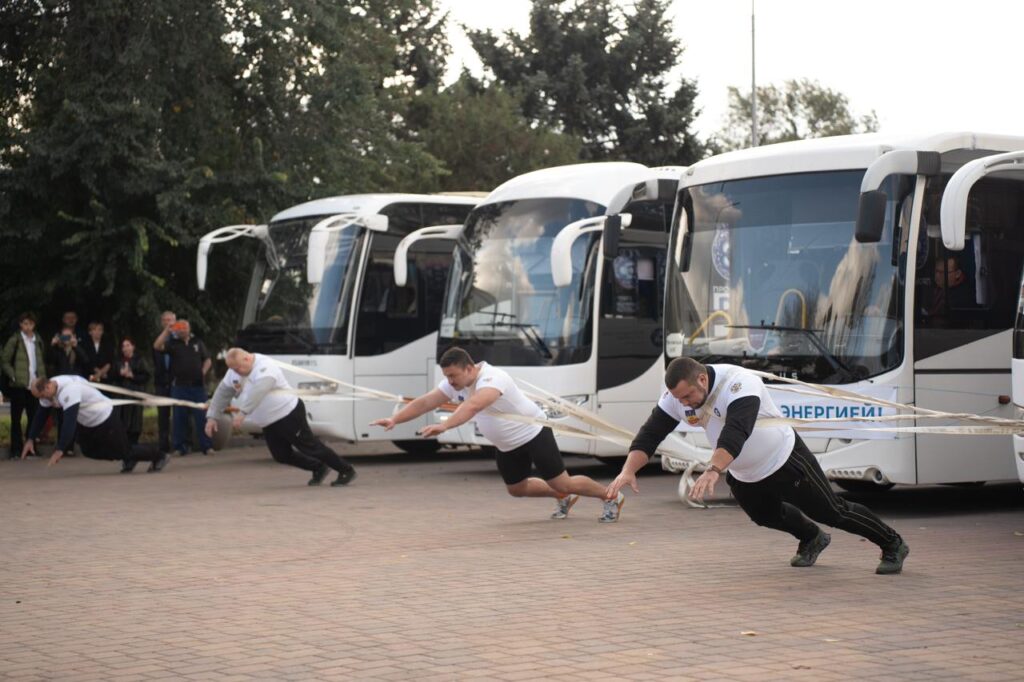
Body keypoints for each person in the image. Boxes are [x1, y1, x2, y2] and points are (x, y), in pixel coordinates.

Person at [606, 357, 910, 574]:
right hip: (745, 472)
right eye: (679, 398)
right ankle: (812, 537)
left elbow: (736, 431)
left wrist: (713, 470)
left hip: (785, 458)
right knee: (764, 515)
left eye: (688, 396)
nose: (684, 403)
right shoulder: (678, 397)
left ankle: (892, 543)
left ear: (702, 379)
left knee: (831, 511)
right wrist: (628, 470)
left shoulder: (739, 383)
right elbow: (651, 433)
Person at [371, 346, 625, 522]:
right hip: (507, 445)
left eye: (452, 376)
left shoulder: (493, 378)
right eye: (446, 377)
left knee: (562, 481)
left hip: (534, 433)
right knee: (516, 489)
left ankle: (611, 496)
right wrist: (395, 419)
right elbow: (426, 402)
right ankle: (563, 497)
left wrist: (445, 426)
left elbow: (473, 406)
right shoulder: (455, 383)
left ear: (469, 368)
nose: (449, 382)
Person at [204, 348, 356, 486]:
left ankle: (346, 470)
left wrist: (243, 413)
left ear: (247, 358)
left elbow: (259, 390)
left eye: (238, 368)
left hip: (288, 413)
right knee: (281, 455)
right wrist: (212, 417)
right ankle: (318, 467)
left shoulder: (266, 366)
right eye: (233, 369)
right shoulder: (234, 372)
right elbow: (222, 393)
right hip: (269, 421)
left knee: (310, 447)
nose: (236, 372)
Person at [22, 375, 170, 473]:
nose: (43, 400)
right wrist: (30, 438)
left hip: (105, 417)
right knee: (88, 451)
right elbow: (41, 414)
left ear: (48, 386)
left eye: (42, 396)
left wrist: (60, 449)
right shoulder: (50, 389)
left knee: (124, 450)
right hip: (88, 423)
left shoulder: (69, 391)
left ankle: (159, 456)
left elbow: (69, 422)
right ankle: (127, 457)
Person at [153, 318, 213, 456]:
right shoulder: (172, 344)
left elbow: (208, 359)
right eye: (180, 327)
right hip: (179, 387)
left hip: (198, 387)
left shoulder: (197, 342)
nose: (182, 330)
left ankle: (207, 446)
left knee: (202, 416)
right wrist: (167, 331)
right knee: (179, 418)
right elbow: (156, 346)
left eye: (185, 327)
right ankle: (180, 447)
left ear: (189, 328)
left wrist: (203, 372)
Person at [2, 313, 46, 459]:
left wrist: (42, 379)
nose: (28, 327)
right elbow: (5, 360)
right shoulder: (15, 340)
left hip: (35, 385)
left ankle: (31, 448)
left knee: (34, 417)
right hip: (19, 385)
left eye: (31, 324)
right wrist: (13, 375)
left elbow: (41, 361)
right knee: (16, 418)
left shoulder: (38, 340)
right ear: (20, 324)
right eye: (25, 323)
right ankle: (16, 449)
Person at [111, 337, 150, 444]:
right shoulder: (118, 361)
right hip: (121, 397)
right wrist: (120, 374)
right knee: (121, 421)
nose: (125, 348)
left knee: (135, 422)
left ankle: (133, 444)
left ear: (133, 347)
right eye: (123, 346)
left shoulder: (140, 360)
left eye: (128, 345)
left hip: (135, 395)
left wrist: (132, 376)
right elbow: (112, 377)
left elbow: (146, 376)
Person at [152, 310, 176, 454]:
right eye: (165, 320)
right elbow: (156, 348)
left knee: (179, 413)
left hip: (176, 381)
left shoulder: (179, 339)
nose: (168, 323)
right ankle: (163, 445)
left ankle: (181, 443)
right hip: (161, 381)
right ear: (162, 323)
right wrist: (166, 332)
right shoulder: (158, 339)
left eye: (170, 320)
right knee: (162, 415)